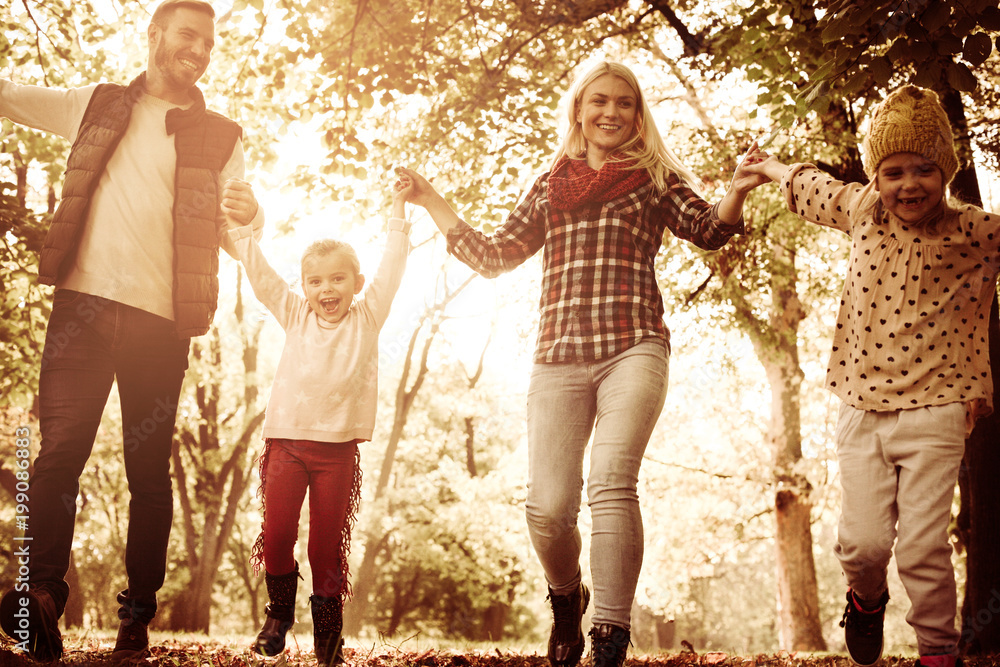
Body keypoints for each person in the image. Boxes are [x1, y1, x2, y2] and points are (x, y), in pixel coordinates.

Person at [398, 60, 768, 667]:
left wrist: (737, 190)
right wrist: (431, 197)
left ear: (638, 113)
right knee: (547, 507)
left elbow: (707, 229)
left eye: (625, 103)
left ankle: (609, 636)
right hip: (558, 358)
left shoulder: (653, 175)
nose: (612, 113)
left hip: (634, 346)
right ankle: (568, 599)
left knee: (612, 482)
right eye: (599, 101)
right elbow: (495, 256)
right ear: (578, 109)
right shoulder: (550, 184)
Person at [0, 0, 264, 662]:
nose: (199, 49)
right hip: (81, 310)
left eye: (208, 42)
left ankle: (136, 615)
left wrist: (250, 212)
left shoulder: (223, 135)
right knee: (58, 455)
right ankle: (42, 600)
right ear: (153, 37)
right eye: (187, 35)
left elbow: (239, 235)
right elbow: (8, 95)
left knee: (148, 473)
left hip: (159, 325)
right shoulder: (95, 103)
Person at [743, 85, 996, 667]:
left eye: (925, 170)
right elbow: (809, 187)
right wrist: (765, 167)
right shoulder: (862, 211)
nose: (909, 185)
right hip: (860, 404)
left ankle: (937, 651)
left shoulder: (974, 231)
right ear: (876, 176)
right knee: (863, 544)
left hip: (938, 406)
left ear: (947, 172)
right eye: (894, 171)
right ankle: (866, 598)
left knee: (924, 546)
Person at [230, 175, 412, 666]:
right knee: (277, 533)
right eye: (315, 280)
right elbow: (262, 276)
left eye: (337, 279)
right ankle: (279, 613)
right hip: (286, 445)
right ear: (304, 287)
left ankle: (328, 632)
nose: (326, 288)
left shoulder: (367, 316)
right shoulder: (294, 313)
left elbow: (393, 266)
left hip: (336, 453)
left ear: (356, 283)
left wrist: (398, 208)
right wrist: (244, 231)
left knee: (326, 546)